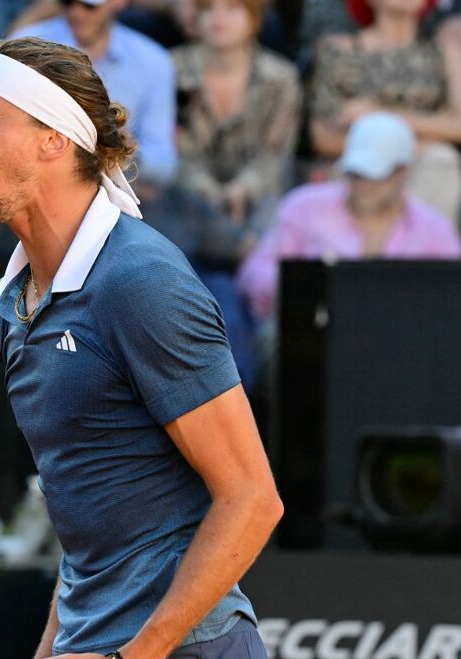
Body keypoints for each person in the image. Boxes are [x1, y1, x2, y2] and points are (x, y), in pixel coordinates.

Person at [0, 37, 282, 659]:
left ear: (51, 139)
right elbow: (87, 536)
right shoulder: (11, 307)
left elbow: (253, 498)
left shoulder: (140, 282)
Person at [167, 0, 300, 385]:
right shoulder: (171, 68)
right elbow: (171, 149)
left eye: (232, 8)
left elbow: (276, 157)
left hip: (259, 202)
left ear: (254, 18)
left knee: (277, 215)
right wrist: (208, 192)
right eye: (209, 9)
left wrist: (243, 188)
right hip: (186, 203)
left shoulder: (281, 77)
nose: (219, 18)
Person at [237, 112, 461, 321]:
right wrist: (295, 286)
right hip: (311, 333)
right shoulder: (303, 207)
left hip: (401, 341)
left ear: (402, 172)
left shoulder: (435, 230)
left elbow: (456, 299)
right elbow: (255, 272)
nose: (363, 185)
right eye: (356, 174)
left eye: (375, 174)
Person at [307, 0, 461, 223]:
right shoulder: (338, 49)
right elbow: (324, 138)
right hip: (355, 165)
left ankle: (421, 252)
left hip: (424, 163)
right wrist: (391, 152)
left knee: (442, 161)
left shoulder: (447, 51)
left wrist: (379, 115)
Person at [11, 0, 179, 187]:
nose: (77, 13)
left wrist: (114, 160)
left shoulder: (153, 61)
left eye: (90, 6)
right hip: (40, 182)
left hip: (120, 193)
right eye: (68, 3)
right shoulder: (27, 45)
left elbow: (161, 159)